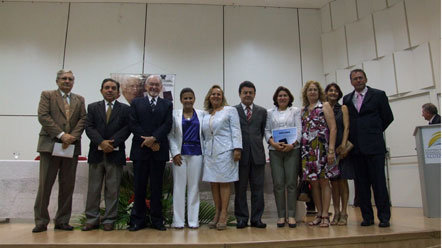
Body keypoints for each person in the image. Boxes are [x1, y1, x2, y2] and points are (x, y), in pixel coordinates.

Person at [33, 69, 86, 233]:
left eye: (70, 79)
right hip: (50, 146)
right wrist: (62, 135)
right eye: (64, 78)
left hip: (71, 147)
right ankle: (41, 221)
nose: (67, 81)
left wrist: (72, 137)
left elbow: (83, 119)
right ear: (57, 81)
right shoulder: (47, 95)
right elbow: (43, 116)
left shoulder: (79, 99)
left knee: (67, 185)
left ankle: (62, 220)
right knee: (45, 185)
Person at [343, 69, 394, 228]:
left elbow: (387, 117)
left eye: (360, 78)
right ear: (351, 81)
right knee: (362, 186)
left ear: (365, 78)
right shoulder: (347, 99)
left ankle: (384, 217)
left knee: (379, 184)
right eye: (355, 79)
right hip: (356, 150)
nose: (358, 81)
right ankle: (367, 217)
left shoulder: (378, 95)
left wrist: (373, 131)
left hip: (374, 147)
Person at [82, 78, 131, 231]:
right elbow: (89, 127)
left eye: (113, 88)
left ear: (118, 92)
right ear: (101, 90)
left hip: (115, 154)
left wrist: (112, 143)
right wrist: (101, 142)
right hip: (96, 153)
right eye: (106, 87)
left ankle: (109, 220)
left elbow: (127, 128)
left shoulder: (125, 109)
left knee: (113, 189)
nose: (109, 90)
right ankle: (92, 219)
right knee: (94, 189)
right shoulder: (92, 107)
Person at [128, 75, 173, 231]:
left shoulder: (167, 104)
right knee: (139, 187)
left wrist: (154, 139)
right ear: (146, 87)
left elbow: (167, 125)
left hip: (158, 151)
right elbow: (133, 124)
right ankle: (137, 220)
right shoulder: (136, 103)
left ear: (161, 87)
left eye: (157, 85)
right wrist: (148, 141)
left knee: (157, 187)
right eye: (151, 84)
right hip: (140, 150)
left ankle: (157, 220)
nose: (154, 87)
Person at [202, 85, 242, 230]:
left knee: (224, 182)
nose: (216, 96)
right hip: (210, 153)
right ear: (209, 97)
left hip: (226, 151)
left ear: (222, 97)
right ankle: (216, 212)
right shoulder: (207, 115)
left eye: (219, 94)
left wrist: (237, 148)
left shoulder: (230, 110)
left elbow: (236, 129)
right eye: (213, 94)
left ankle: (224, 213)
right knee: (213, 183)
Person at [301, 81, 337, 228]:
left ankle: (325, 215)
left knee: (324, 182)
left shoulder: (325, 106)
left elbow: (333, 128)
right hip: (308, 151)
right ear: (306, 93)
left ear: (319, 92)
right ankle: (318, 213)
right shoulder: (303, 110)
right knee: (313, 183)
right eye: (310, 90)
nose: (312, 92)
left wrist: (331, 150)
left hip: (322, 149)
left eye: (315, 90)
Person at [265, 86, 301, 228]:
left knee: (292, 183)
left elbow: (299, 129)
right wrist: (273, 143)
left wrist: (293, 144)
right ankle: (281, 215)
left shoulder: (296, 111)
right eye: (280, 95)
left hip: (292, 150)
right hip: (275, 151)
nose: (282, 98)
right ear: (276, 98)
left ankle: (291, 215)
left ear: (289, 97)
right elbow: (267, 130)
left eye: (285, 95)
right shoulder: (269, 113)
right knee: (278, 184)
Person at [168, 88, 204, 229]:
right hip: (180, 156)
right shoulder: (174, 115)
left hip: (197, 154)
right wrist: (175, 153)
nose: (188, 100)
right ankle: (178, 221)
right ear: (181, 100)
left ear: (194, 99)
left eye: (190, 98)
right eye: (185, 98)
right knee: (178, 187)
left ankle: (193, 221)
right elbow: (170, 135)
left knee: (194, 187)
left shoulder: (202, 114)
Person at [234, 81, 267, 229]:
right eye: (245, 92)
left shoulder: (262, 111)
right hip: (240, 156)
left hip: (258, 156)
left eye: (250, 92)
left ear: (254, 94)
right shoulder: (233, 111)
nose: (248, 95)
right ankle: (241, 218)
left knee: (258, 190)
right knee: (240, 189)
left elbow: (261, 132)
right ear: (240, 94)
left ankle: (256, 219)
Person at [325, 83, 353, 226]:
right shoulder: (323, 108)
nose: (333, 93)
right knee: (333, 182)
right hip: (329, 149)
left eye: (336, 91)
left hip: (341, 148)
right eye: (330, 90)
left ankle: (344, 212)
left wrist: (343, 145)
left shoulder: (343, 108)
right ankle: (335, 211)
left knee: (343, 181)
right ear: (326, 93)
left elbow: (347, 127)